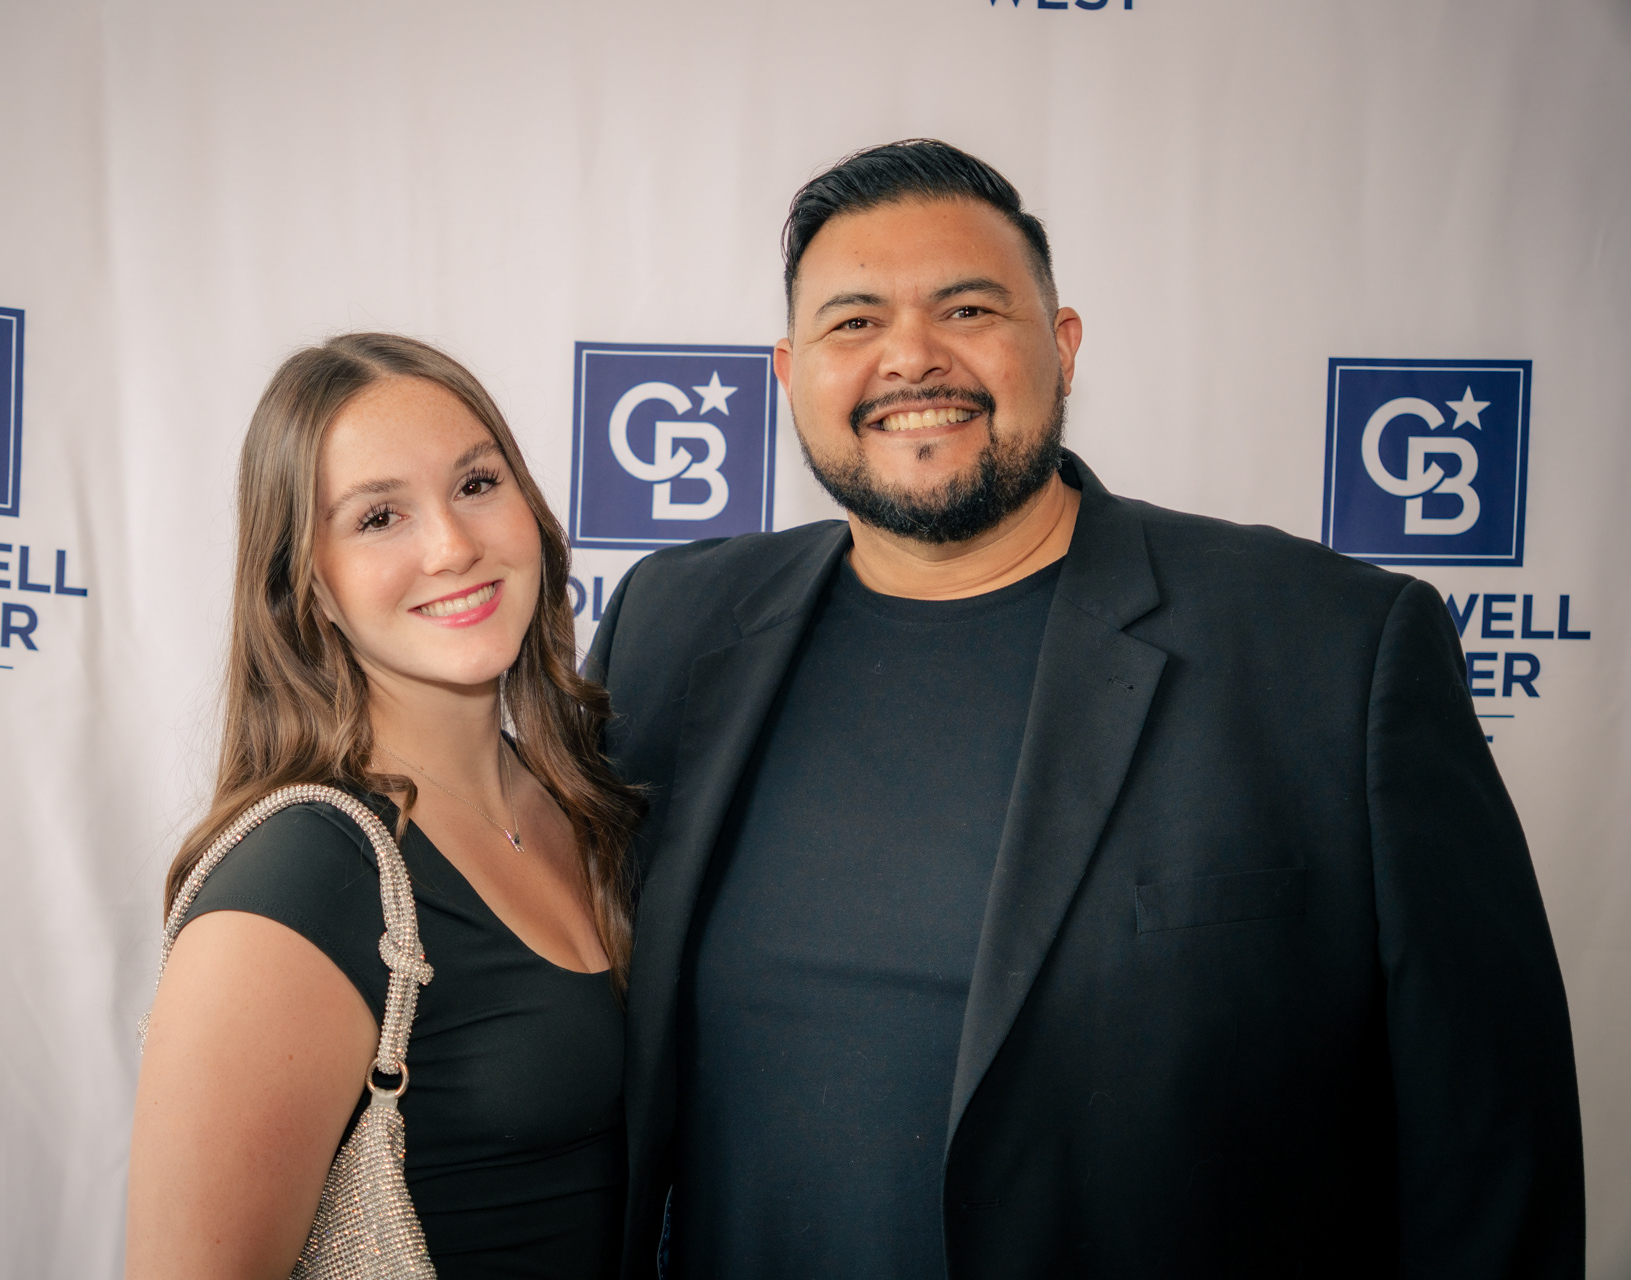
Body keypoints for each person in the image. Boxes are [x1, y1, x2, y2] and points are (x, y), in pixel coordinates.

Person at [587, 140, 1584, 1278]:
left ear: (1061, 346)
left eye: (967, 309)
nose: (910, 356)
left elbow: (1488, 1141)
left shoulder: (1335, 648)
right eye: (853, 322)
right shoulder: (669, 626)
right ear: (787, 372)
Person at [127, 333, 642, 1279]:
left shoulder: (586, 802)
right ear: (307, 585)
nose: (452, 546)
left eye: (477, 484)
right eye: (378, 518)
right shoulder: (298, 881)